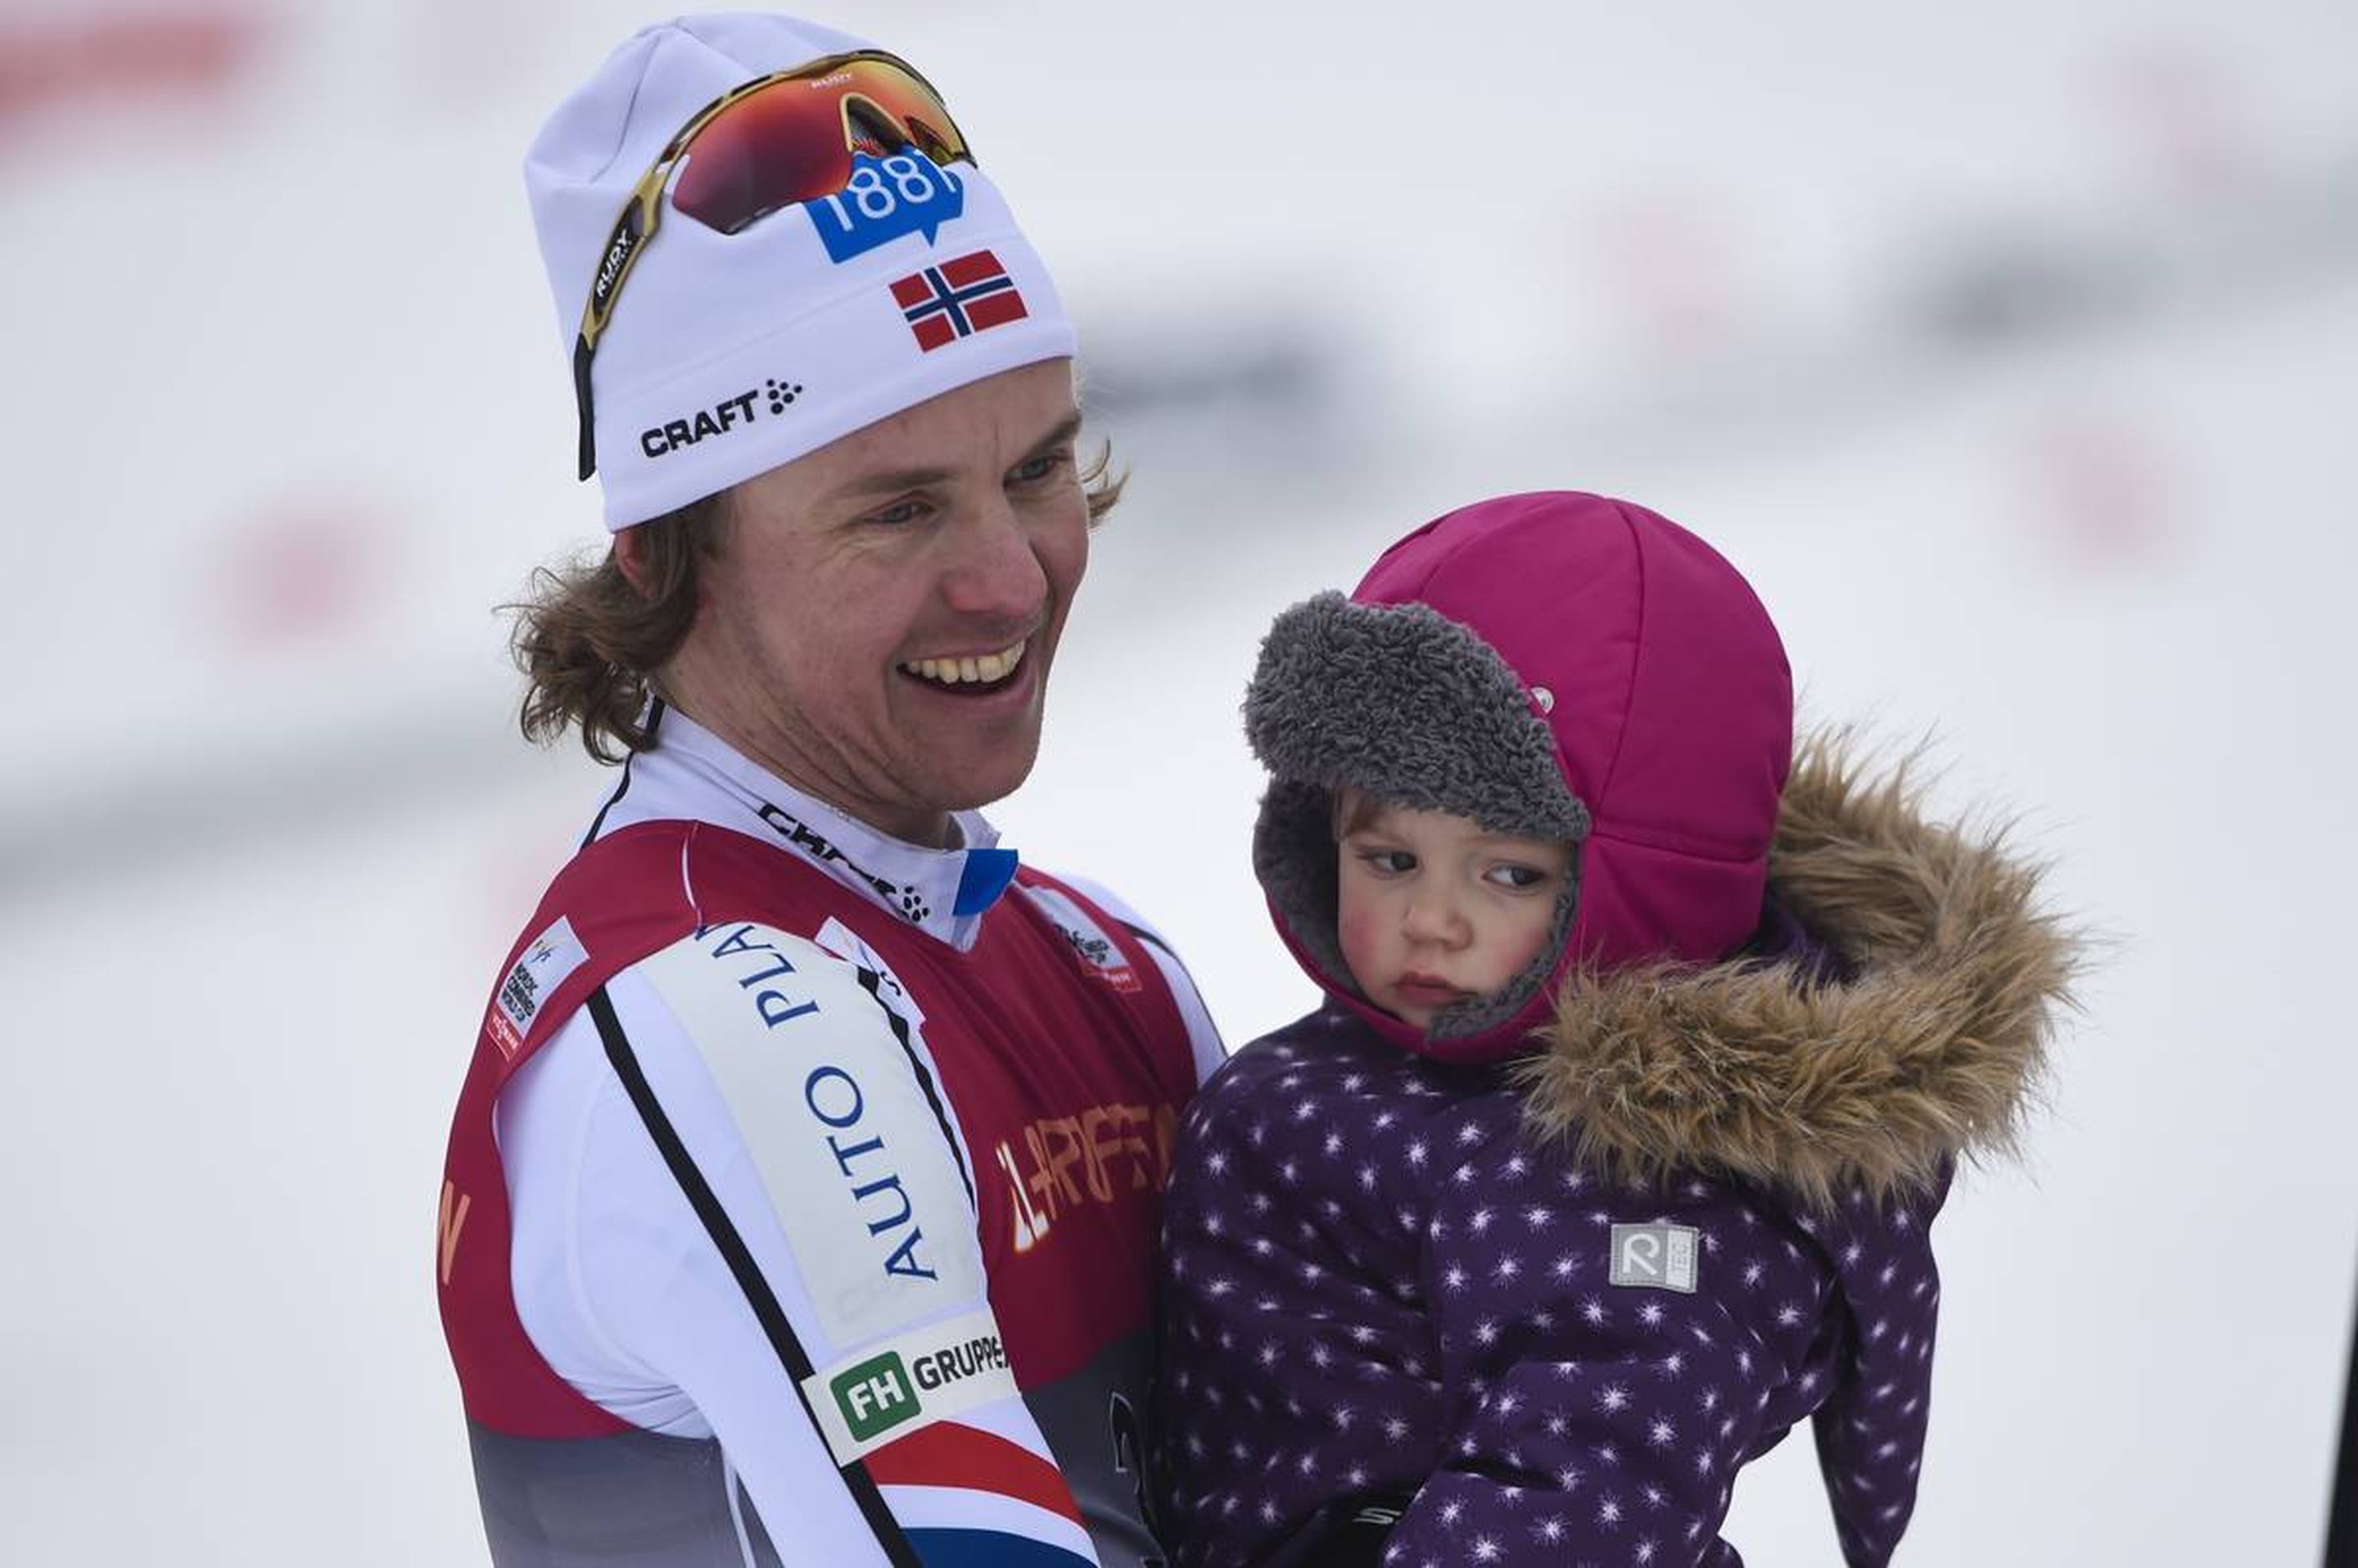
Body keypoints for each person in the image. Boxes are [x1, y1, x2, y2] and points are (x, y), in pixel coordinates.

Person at [433, 15, 1223, 1566]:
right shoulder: (718, 1015)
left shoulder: (1092, 960)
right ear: (667, 549)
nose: (1011, 580)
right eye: (898, 511)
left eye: (1036, 470)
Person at [1154, 491, 2080, 1566]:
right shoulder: (1394, 1069)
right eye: (1390, 858)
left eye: (1509, 872)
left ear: (1644, 891)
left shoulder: (1616, 1173)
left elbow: (1591, 1494)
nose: (1432, 920)